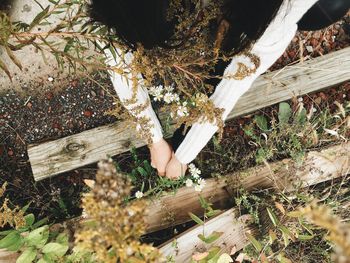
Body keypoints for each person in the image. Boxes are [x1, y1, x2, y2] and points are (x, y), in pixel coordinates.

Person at [89, 0, 349, 179]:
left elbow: (236, 81)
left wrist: (183, 155)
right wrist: (153, 138)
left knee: (327, 8)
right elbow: (115, 50)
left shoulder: (283, 8)